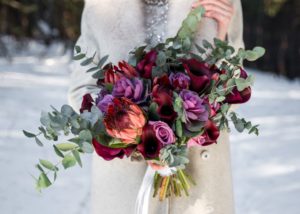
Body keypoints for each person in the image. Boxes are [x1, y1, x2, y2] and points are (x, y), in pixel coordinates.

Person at [68, 0, 244, 213]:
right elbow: (81, 90)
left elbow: (235, 88)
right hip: (124, 183)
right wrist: (134, 134)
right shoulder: (101, 3)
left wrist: (223, 35)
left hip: (199, 177)